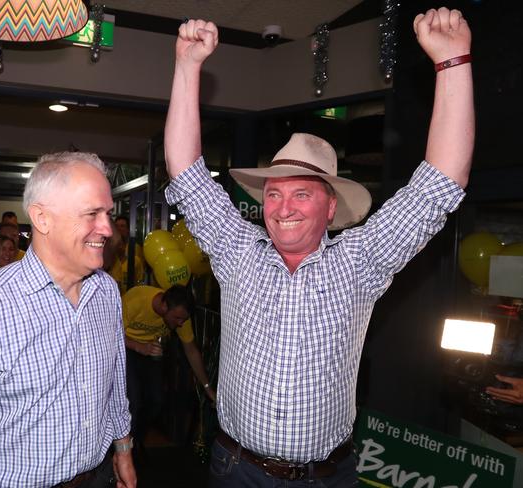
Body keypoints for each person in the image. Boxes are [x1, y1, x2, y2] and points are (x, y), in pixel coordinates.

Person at [164, 8, 473, 487]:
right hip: (237, 470)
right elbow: (185, 170)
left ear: (331, 208)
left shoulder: (360, 260)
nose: (283, 206)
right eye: (274, 193)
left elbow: (441, 183)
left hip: (325, 477)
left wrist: (453, 62)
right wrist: (187, 68)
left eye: (302, 193)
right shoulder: (235, 250)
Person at [0, 152, 136, 488]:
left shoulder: (105, 292)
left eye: (108, 214)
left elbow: (114, 381)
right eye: (92, 213)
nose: (106, 229)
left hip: (97, 478)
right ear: (42, 219)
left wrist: (123, 448)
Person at [122, 284, 216, 444]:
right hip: (125, 347)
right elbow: (111, 333)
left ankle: (135, 441)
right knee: (134, 402)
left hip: (150, 350)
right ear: (164, 306)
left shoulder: (180, 313)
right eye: (177, 318)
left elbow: (191, 351)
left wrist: (208, 388)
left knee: (156, 401)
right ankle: (125, 448)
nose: (180, 323)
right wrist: (139, 346)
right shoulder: (137, 300)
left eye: (183, 320)